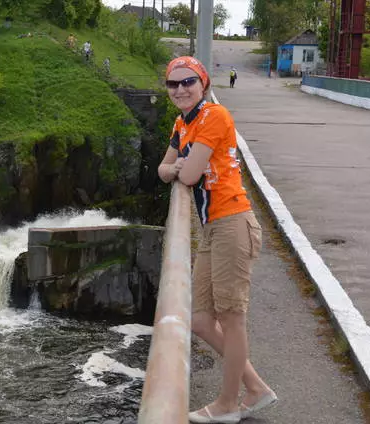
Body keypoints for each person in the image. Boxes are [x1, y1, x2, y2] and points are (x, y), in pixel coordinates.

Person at [158, 56, 277, 424]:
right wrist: (177, 167)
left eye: (188, 82)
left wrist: (179, 168)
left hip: (231, 222)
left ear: (203, 84)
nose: (180, 89)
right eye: (173, 84)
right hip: (212, 226)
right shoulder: (183, 122)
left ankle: (229, 403)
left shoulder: (214, 117)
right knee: (201, 320)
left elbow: (188, 175)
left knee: (231, 317)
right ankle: (256, 388)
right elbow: (164, 170)